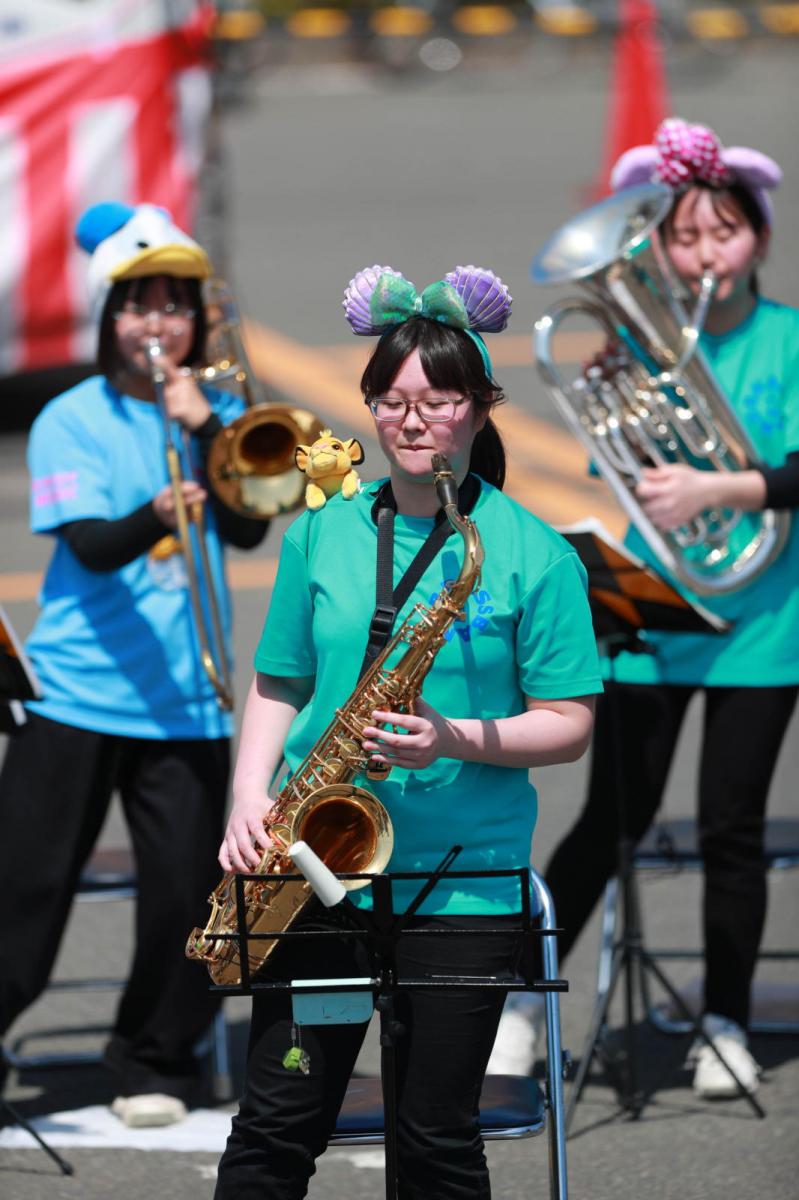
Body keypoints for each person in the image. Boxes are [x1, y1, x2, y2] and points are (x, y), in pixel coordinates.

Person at [212, 263, 602, 1200]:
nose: (412, 421)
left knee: (434, 1140)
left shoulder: (533, 554)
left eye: (437, 401)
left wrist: (452, 736)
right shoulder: (322, 531)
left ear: (480, 409)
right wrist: (248, 796)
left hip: (460, 887)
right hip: (316, 866)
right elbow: (279, 679)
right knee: (276, 1128)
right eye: (390, 402)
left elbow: (569, 724)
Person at [541, 118, 799, 1099]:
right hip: (651, 610)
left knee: (731, 827)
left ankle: (724, 1019)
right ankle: (519, 1003)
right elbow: (624, 466)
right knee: (612, 813)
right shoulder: (635, 351)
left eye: (722, 232)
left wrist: (717, 490)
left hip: (764, 623)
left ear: (758, 238)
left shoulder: (788, 340)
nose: (703, 255)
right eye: (683, 238)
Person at [0, 202, 267, 1127]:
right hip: (74, 695)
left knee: (188, 902)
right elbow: (90, 545)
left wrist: (210, 432)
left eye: (175, 305)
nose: (158, 323)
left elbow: (248, 527)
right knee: (24, 894)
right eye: (139, 304)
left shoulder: (216, 416)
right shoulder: (69, 418)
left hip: (186, 701)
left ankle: (153, 1056)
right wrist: (155, 512)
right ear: (109, 315)